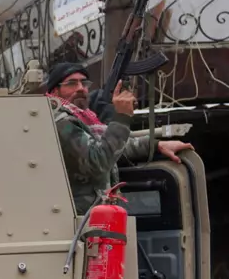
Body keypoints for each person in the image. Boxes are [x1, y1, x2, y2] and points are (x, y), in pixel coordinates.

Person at [43, 62, 192, 214]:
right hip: (78, 219)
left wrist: (155, 145)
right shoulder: (61, 122)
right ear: (55, 90)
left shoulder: (85, 118)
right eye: (72, 83)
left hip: (97, 215)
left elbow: (111, 148)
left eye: (84, 82)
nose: (81, 88)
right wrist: (121, 117)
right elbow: (98, 161)